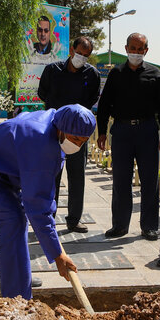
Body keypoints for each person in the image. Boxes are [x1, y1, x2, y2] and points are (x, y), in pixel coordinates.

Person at [0, 105, 95, 299]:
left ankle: (19, 279)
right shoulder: (39, 143)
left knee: (17, 220)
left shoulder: (54, 122)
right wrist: (58, 255)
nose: (77, 145)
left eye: (83, 141)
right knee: (12, 221)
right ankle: (16, 298)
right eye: (75, 138)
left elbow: (41, 193)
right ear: (61, 129)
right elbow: (37, 204)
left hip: (3, 173)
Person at [97, 33, 160, 241]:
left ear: (146, 51)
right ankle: (119, 225)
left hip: (147, 130)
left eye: (140, 49)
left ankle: (149, 226)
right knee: (121, 179)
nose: (136, 52)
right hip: (121, 131)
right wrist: (102, 131)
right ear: (126, 47)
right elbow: (104, 105)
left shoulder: (155, 74)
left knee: (149, 180)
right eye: (133, 48)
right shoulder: (116, 74)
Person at [38, 36, 101, 233]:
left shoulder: (92, 75)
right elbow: (42, 93)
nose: (81, 57)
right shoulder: (52, 70)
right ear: (71, 50)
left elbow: (92, 99)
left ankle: (74, 220)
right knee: (51, 176)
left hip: (77, 134)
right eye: (79, 53)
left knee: (76, 176)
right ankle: (49, 218)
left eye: (86, 55)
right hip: (53, 130)